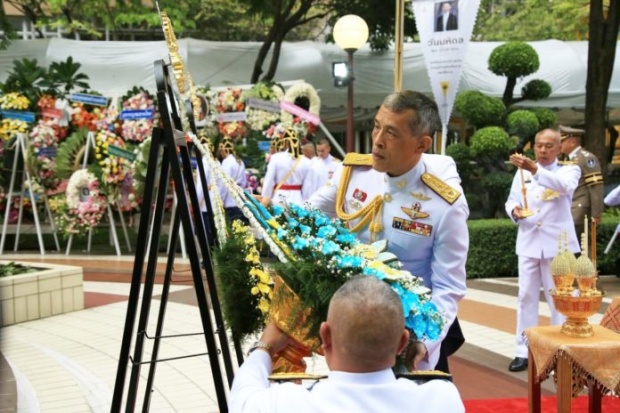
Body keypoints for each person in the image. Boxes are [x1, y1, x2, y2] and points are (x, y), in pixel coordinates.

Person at [307, 90, 469, 373]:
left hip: (409, 334)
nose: (378, 140)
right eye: (376, 126)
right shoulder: (354, 174)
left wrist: (424, 342)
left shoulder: (444, 205)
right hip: (352, 327)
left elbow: (448, 287)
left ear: (422, 144)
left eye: (391, 133)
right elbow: (307, 214)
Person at [229, 276, 465, 413]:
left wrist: (264, 347)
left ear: (325, 336)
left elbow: (243, 393)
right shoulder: (442, 399)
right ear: (403, 341)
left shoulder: (288, 404)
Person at [505, 129, 581, 372]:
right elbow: (511, 199)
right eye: (539, 145)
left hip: (557, 245)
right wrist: (514, 211)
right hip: (529, 241)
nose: (543, 150)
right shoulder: (521, 172)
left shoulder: (570, 169)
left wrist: (535, 169)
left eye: (549, 146)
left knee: (560, 299)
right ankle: (523, 349)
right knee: (525, 296)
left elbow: (564, 187)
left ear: (560, 148)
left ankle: (562, 349)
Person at [558, 125, 604, 239]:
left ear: (572, 142)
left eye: (562, 141)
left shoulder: (586, 158)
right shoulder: (567, 158)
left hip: (579, 209)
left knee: (579, 247)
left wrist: (596, 213)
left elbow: (595, 186)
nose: (559, 145)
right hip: (569, 208)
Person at [261, 128, 319, 206]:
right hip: (298, 200)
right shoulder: (307, 162)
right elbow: (308, 187)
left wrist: (264, 198)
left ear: (285, 142)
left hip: (278, 198)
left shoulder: (275, 158)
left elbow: (268, 182)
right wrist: (306, 204)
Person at [218, 137, 249, 224]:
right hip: (241, 198)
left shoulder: (226, 162)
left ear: (224, 150)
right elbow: (244, 182)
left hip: (230, 201)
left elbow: (224, 183)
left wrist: (221, 199)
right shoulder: (240, 161)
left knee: (234, 228)